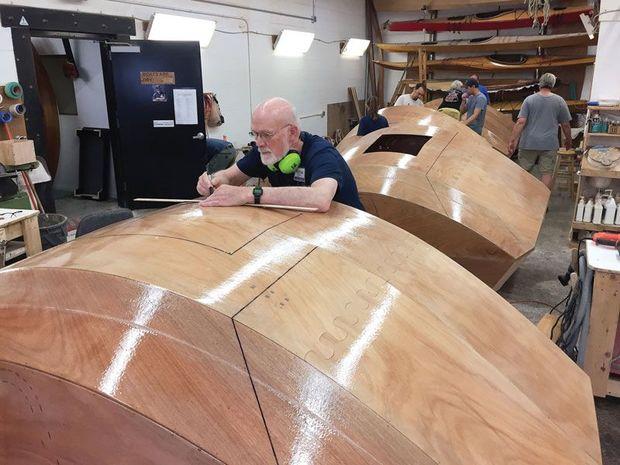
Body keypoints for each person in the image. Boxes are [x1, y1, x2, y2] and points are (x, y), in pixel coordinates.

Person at [196, 97, 364, 212]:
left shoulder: (321, 153)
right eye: (254, 134)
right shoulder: (264, 151)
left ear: (292, 132)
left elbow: (320, 199)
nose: (259, 142)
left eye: (267, 135)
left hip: (349, 232)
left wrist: (248, 194)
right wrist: (213, 182)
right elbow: (229, 177)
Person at [508, 73, 572, 189]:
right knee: (547, 173)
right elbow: (566, 125)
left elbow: (521, 122)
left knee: (524, 171)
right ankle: (543, 205)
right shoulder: (559, 101)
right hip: (549, 144)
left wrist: (512, 140)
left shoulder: (529, 100)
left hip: (528, 142)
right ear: (552, 85)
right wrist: (568, 140)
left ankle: (524, 200)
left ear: (540, 84)